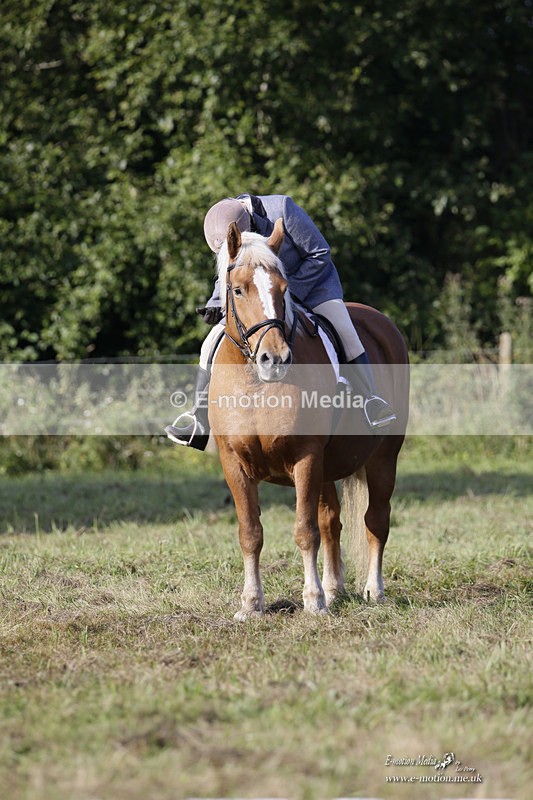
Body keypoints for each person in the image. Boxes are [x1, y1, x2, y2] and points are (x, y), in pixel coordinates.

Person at [165, 194, 396, 449]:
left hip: (312, 288)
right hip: (258, 302)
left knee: (345, 332)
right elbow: (230, 274)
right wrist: (215, 303)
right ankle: (198, 419)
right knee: (210, 343)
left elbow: (319, 254)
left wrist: (279, 292)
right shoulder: (229, 229)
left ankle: (371, 400)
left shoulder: (283, 209)